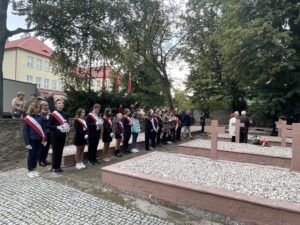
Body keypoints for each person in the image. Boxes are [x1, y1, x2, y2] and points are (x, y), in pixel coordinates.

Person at [23, 102, 47, 178]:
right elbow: (25, 131)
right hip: (31, 140)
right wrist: (27, 143)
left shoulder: (41, 118)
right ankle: (30, 170)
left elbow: (43, 130)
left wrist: (45, 139)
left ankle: (34, 169)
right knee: (31, 155)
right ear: (32, 108)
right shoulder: (28, 118)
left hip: (39, 140)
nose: (38, 109)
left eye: (39, 107)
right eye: (37, 107)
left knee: (37, 155)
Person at [48, 99, 70, 174]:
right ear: (55, 105)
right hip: (55, 135)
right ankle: (54, 168)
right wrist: (57, 127)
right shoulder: (53, 114)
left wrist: (67, 128)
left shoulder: (65, 114)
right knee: (55, 152)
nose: (61, 104)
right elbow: (49, 125)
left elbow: (67, 123)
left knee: (60, 151)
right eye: (59, 103)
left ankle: (58, 167)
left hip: (62, 135)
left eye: (62, 103)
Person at [39, 101, 52, 166]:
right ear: (42, 106)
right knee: (42, 147)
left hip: (49, 132)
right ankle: (41, 161)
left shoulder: (50, 113)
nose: (47, 106)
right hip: (43, 133)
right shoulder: (40, 114)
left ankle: (44, 159)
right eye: (45, 105)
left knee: (47, 147)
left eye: (47, 105)